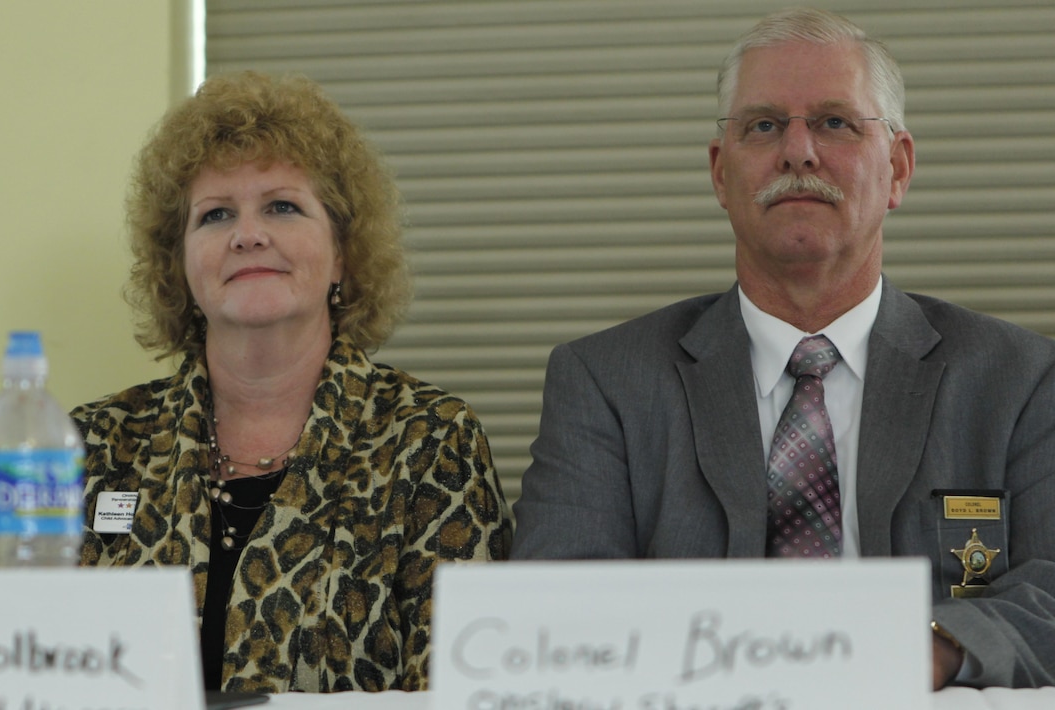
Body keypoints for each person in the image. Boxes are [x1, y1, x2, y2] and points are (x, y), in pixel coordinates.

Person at [511, 7, 1055, 691]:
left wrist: (931, 649)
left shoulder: (1022, 380)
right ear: (719, 173)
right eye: (764, 125)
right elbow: (553, 604)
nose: (798, 151)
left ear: (898, 169)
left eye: (835, 122)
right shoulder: (605, 382)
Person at [73, 71, 512, 693]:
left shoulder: (430, 441)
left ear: (342, 253)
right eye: (215, 214)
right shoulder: (94, 445)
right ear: (181, 266)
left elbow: (465, 689)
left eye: (282, 206)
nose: (247, 233)